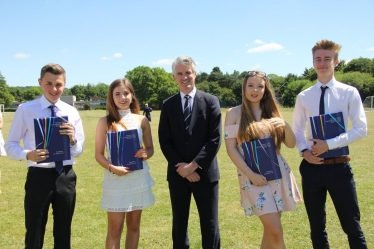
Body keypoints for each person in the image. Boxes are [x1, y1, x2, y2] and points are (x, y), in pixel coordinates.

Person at [292, 39, 368, 248]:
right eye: (318, 59)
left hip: (339, 167)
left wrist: (329, 144)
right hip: (312, 169)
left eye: (327, 59)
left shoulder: (348, 92)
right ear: (313, 62)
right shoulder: (304, 96)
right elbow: (297, 130)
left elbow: (361, 129)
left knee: (352, 225)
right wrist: (304, 152)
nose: (322, 63)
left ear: (336, 62)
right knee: (317, 227)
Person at [4, 63, 85, 249]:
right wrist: (28, 154)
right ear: (40, 82)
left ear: (64, 84)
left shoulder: (71, 112)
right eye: (49, 83)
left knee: (64, 231)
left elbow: (79, 150)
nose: (54, 89)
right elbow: (10, 146)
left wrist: (72, 139)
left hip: (65, 176)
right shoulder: (26, 109)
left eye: (58, 84)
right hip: (38, 176)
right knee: (34, 230)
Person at [224, 70, 302, 248]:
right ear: (244, 88)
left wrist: (286, 127)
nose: (255, 90)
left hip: (277, 173)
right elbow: (231, 149)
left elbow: (290, 144)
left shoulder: (272, 112)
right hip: (252, 178)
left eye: (260, 86)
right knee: (275, 229)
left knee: (271, 230)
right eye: (251, 85)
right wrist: (250, 174)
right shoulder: (234, 113)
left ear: (265, 89)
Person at [158, 56, 222, 249]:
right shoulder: (168, 105)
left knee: (210, 224)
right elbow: (165, 140)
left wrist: (193, 166)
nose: (184, 77)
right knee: (179, 224)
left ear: (195, 74)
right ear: (174, 77)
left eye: (188, 72)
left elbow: (215, 139)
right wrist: (182, 168)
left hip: (205, 174)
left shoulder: (211, 101)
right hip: (178, 175)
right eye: (180, 73)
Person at [95, 78, 155, 249]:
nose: (122, 97)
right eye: (117, 94)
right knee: (115, 228)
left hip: (137, 179)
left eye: (126, 93)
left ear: (132, 95)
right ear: (111, 97)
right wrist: (112, 168)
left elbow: (150, 149)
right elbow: (98, 154)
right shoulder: (104, 122)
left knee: (134, 226)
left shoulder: (141, 120)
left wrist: (145, 153)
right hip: (115, 180)